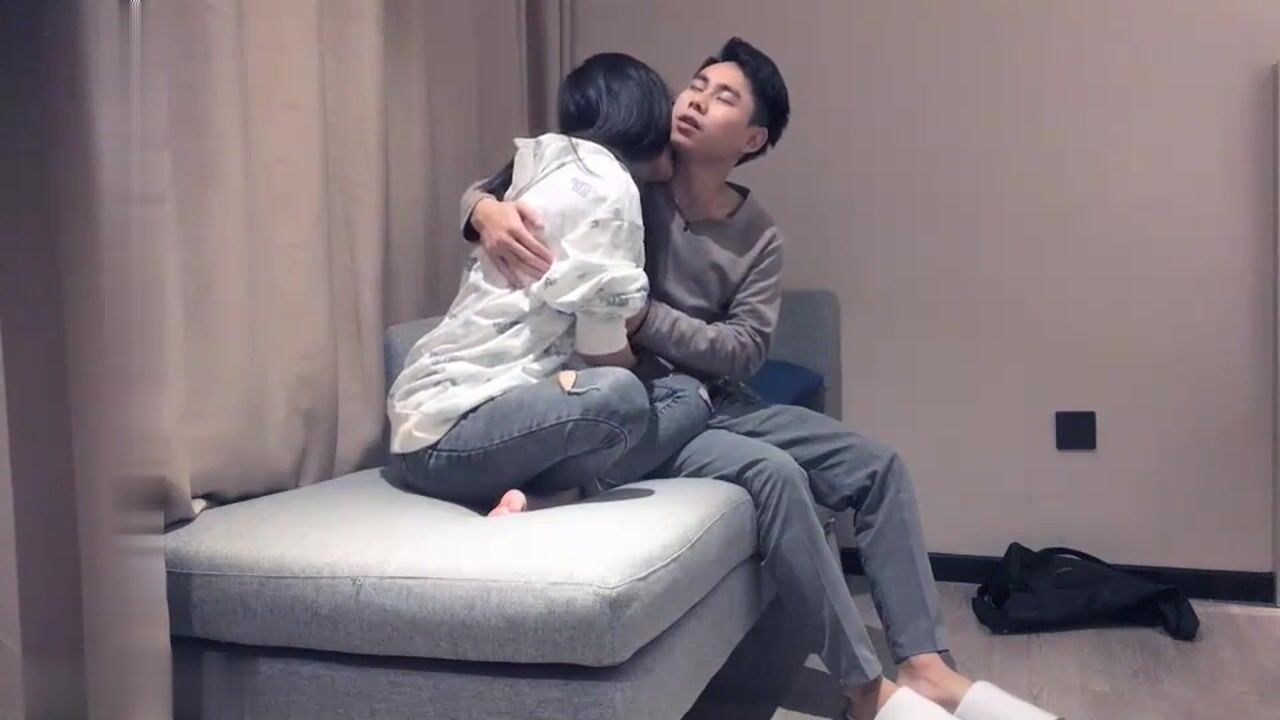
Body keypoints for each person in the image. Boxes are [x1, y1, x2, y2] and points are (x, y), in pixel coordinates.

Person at [461, 38, 1060, 720]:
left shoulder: (758, 235)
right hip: (644, 404)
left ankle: (926, 668)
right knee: (776, 475)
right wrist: (482, 211)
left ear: (752, 138)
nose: (695, 100)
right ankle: (863, 690)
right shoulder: (627, 182)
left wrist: (647, 317)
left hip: (721, 398)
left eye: (723, 97)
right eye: (696, 84)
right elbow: (510, 178)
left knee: (880, 466)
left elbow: (744, 352)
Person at [388, 52, 711, 519]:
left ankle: (549, 494)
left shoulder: (545, 160)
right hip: (453, 441)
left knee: (671, 394)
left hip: (426, 423)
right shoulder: (610, 187)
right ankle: (571, 492)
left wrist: (480, 206)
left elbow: (484, 190)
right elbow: (600, 349)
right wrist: (643, 371)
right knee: (648, 396)